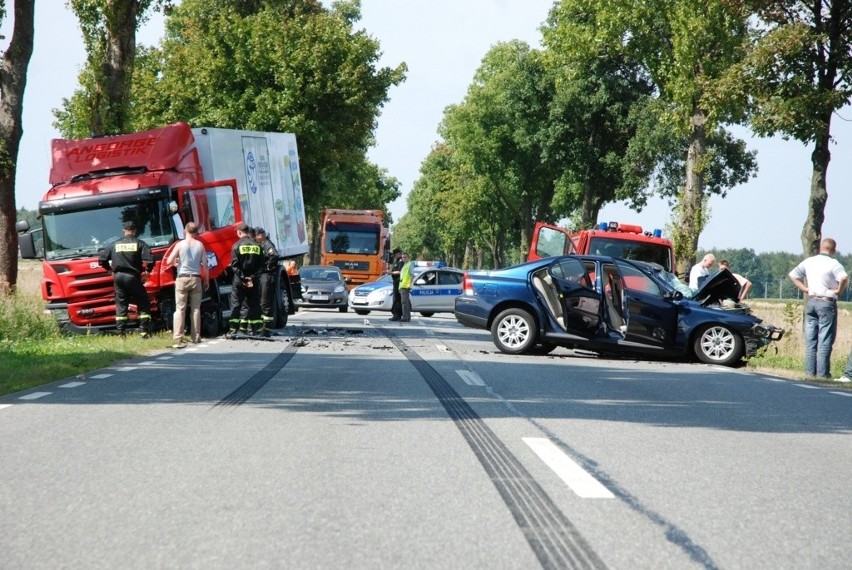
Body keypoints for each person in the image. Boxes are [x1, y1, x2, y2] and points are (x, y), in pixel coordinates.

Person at [788, 238, 848, 379]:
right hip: (827, 302)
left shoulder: (809, 261)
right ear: (833, 250)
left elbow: (793, 275)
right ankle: (822, 374)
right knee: (825, 340)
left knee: (811, 341)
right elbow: (844, 277)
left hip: (811, 302)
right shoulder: (834, 263)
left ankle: (809, 373)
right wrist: (839, 290)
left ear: (821, 247)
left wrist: (805, 289)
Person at [98, 220, 153, 337]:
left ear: (124, 231)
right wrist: (147, 272)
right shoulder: (140, 243)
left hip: (118, 277)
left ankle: (121, 333)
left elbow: (102, 260)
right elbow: (150, 260)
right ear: (135, 231)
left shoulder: (114, 244)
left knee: (121, 304)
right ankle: (144, 331)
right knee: (143, 301)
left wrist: (109, 270)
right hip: (132, 277)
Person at [164, 221, 208, 348]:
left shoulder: (180, 244)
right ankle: (196, 337)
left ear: (185, 231)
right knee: (195, 309)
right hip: (196, 278)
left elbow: (169, 260)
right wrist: (206, 280)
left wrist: (175, 263)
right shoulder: (200, 245)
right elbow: (205, 265)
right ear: (195, 232)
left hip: (182, 278)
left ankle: (178, 337)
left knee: (180, 309)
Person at [227, 222, 264, 337]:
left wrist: (243, 277)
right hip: (253, 281)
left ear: (239, 232)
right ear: (248, 232)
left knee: (236, 304)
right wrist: (252, 277)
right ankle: (257, 330)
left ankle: (233, 330)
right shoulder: (257, 246)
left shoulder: (236, 246)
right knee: (255, 304)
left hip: (240, 281)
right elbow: (261, 266)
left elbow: (234, 265)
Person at [254, 227, 279, 337]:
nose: (255, 238)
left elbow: (274, 255)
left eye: (256, 236)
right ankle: (262, 328)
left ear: (260, 235)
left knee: (265, 302)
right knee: (261, 301)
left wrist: (268, 266)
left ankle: (266, 329)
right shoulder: (261, 244)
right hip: (262, 275)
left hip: (266, 275)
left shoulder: (266, 243)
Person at [388, 248, 404, 321]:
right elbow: (393, 269)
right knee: (396, 298)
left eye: (395, 254)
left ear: (399, 254)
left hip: (398, 281)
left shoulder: (401, 261)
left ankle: (397, 315)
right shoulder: (397, 261)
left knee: (397, 299)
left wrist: (390, 273)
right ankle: (395, 314)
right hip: (395, 281)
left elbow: (399, 272)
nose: (394, 256)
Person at [397, 252, 413, 322]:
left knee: (405, 303)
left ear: (408, 258)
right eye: (403, 257)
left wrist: (410, 285)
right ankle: (406, 317)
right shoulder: (404, 265)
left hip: (405, 286)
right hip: (402, 286)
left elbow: (412, 275)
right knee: (404, 302)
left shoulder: (410, 264)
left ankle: (405, 318)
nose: (404, 259)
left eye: (405, 257)